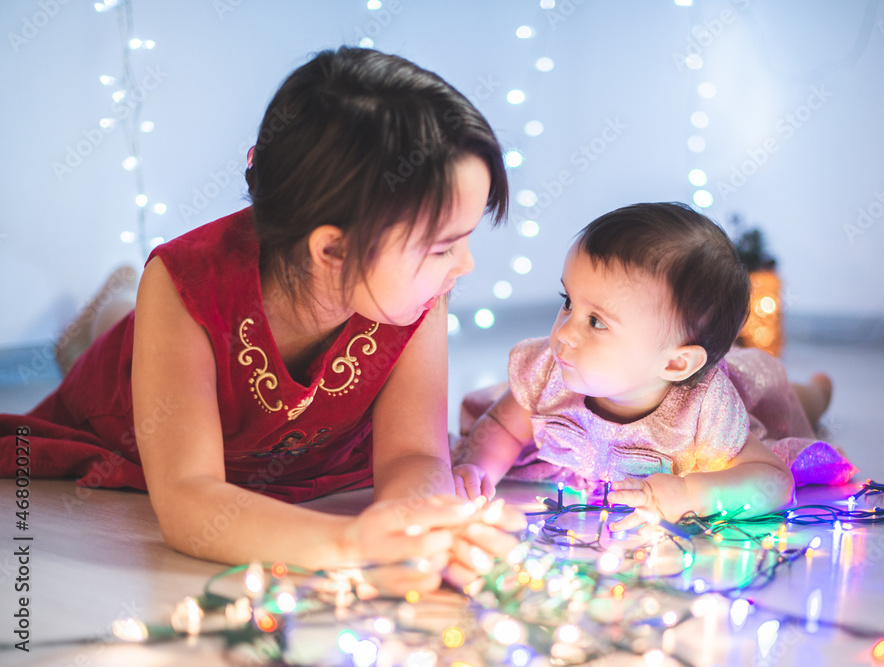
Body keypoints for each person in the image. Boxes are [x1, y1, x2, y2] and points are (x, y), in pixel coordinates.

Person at [0, 47, 525, 593]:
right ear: (333, 252)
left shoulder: (412, 290)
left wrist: (418, 527)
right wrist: (351, 544)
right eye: (442, 249)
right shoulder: (184, 280)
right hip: (128, 403)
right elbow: (188, 498)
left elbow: (414, 454)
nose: (464, 266)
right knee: (126, 327)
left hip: (296, 445)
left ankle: (113, 307)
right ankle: (105, 314)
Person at [451, 203, 857, 531]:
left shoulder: (704, 410)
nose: (565, 334)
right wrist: (479, 467)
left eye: (596, 322)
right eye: (569, 301)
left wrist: (692, 494)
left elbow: (773, 482)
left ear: (677, 362)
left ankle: (818, 391)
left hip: (749, 390)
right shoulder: (549, 371)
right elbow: (503, 426)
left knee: (788, 402)